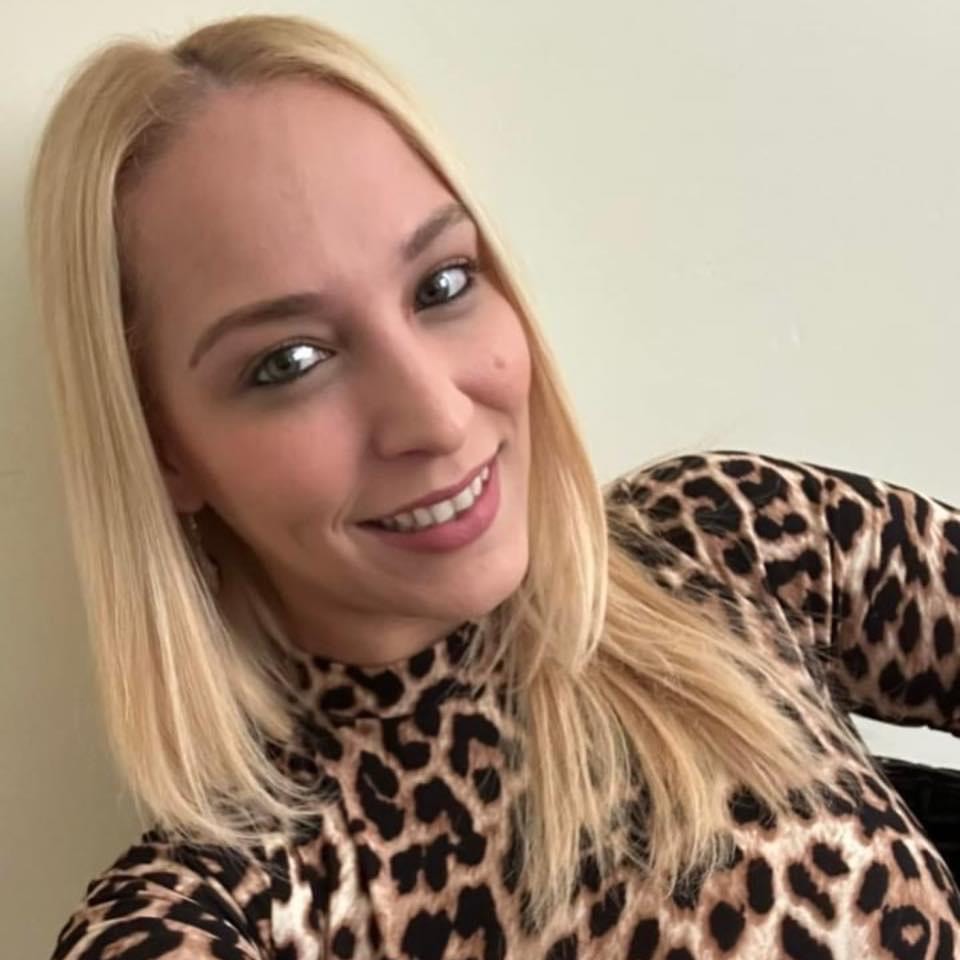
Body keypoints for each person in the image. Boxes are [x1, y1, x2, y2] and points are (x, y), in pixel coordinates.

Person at [27, 13, 960, 960]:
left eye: (441, 285)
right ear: (165, 453)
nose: (435, 416)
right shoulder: (206, 914)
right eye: (290, 361)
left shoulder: (733, 539)